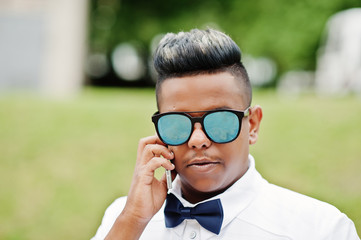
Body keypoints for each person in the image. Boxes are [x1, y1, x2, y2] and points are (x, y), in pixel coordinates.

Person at [92, 28, 359, 240]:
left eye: (219, 121)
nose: (197, 140)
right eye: (178, 123)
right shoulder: (122, 217)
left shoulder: (319, 229)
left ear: (252, 124)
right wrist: (133, 221)